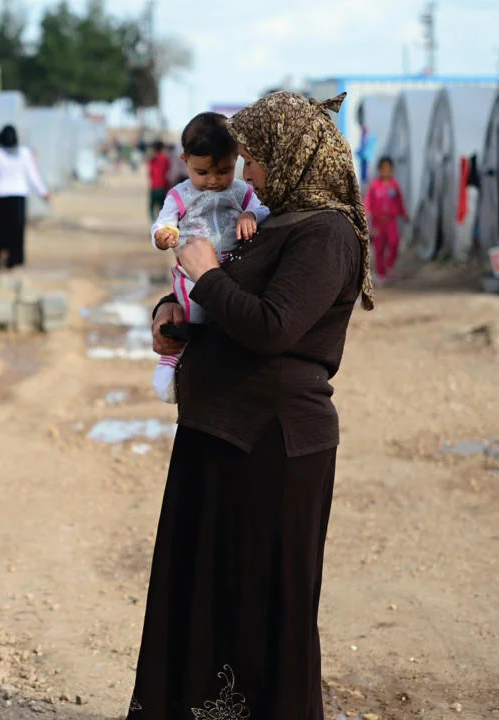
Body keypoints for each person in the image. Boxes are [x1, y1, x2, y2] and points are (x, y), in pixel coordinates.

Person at [127, 92, 372, 719]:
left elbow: (272, 326)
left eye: (257, 159)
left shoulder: (327, 233)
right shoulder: (276, 220)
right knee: (205, 592)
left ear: (294, 156)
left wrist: (207, 276)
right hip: (221, 432)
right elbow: (221, 292)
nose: (249, 172)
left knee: (261, 599)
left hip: (274, 445)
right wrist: (171, 311)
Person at [150, 113, 270, 404]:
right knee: (191, 307)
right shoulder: (180, 194)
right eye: (203, 173)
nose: (214, 181)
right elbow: (163, 222)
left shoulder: (242, 192)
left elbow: (263, 209)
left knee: (226, 311)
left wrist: (251, 214)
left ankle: (211, 360)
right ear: (185, 160)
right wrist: (163, 234)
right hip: (191, 270)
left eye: (224, 171)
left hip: (230, 267)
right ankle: (176, 354)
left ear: (236, 160)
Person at [0, 125, 51, 271]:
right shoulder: (24, 153)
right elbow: (33, 175)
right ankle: (15, 258)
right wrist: (43, 192)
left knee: (1, 227)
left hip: (1, 195)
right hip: (19, 196)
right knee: (17, 229)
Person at [364, 155, 409, 284]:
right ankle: (381, 273)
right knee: (379, 248)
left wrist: (403, 213)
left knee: (394, 243)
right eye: (383, 169)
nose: (386, 171)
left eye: (388, 169)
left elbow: (399, 201)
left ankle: (389, 265)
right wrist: (366, 213)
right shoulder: (374, 185)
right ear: (379, 169)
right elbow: (368, 201)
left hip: (391, 221)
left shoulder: (394, 185)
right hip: (378, 223)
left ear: (392, 170)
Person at [146, 140, 171, 220]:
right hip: (164, 186)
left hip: (154, 186)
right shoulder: (165, 158)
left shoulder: (152, 159)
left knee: (151, 208)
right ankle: (160, 226)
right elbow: (168, 171)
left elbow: (150, 173)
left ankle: (154, 225)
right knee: (162, 208)